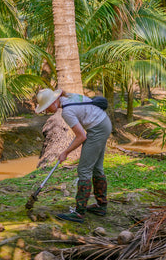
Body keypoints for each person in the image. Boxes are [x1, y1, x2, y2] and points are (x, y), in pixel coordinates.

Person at [35, 89, 112, 223]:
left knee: (84, 170)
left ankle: (79, 212)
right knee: (97, 168)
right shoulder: (68, 97)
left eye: (47, 108)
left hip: (98, 129)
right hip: (103, 123)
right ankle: (101, 205)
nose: (46, 111)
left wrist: (65, 152)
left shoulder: (67, 111)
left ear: (54, 101)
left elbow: (81, 136)